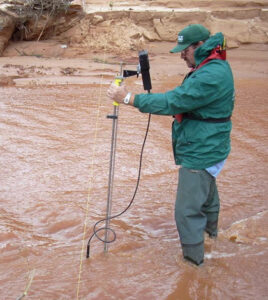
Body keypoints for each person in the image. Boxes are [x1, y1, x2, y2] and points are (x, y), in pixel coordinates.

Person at [107, 24, 235, 266]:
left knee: (186, 212)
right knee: (207, 198)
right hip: (211, 146)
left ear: (199, 46)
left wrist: (127, 98)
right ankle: (211, 246)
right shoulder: (212, 66)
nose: (181, 55)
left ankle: (194, 266)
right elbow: (183, 100)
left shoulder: (210, 75)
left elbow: (174, 101)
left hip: (202, 150)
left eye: (184, 50)